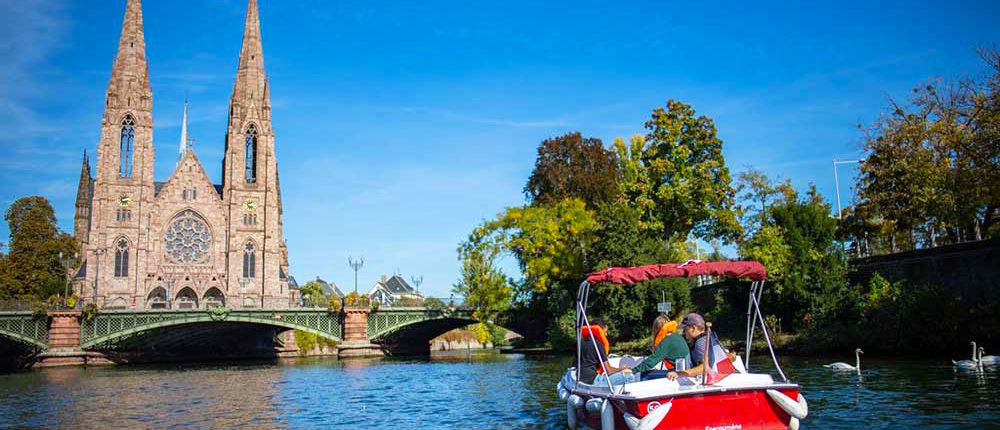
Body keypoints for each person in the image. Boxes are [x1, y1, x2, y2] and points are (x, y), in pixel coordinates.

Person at [666, 312, 738, 381]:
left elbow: (705, 368)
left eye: (685, 330)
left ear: (693, 329)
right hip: (728, 377)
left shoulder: (700, 342)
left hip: (720, 380)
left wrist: (679, 374)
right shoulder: (708, 337)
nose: (684, 333)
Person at [630, 314, 691, 380]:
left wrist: (632, 371)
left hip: (680, 374)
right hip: (686, 371)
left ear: (656, 329)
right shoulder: (676, 336)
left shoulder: (667, 341)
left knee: (645, 375)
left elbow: (651, 361)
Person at [579, 318, 632, 385]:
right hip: (593, 381)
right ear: (600, 330)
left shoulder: (580, 343)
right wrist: (621, 368)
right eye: (605, 331)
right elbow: (608, 371)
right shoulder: (599, 345)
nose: (606, 334)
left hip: (580, 379)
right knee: (629, 375)